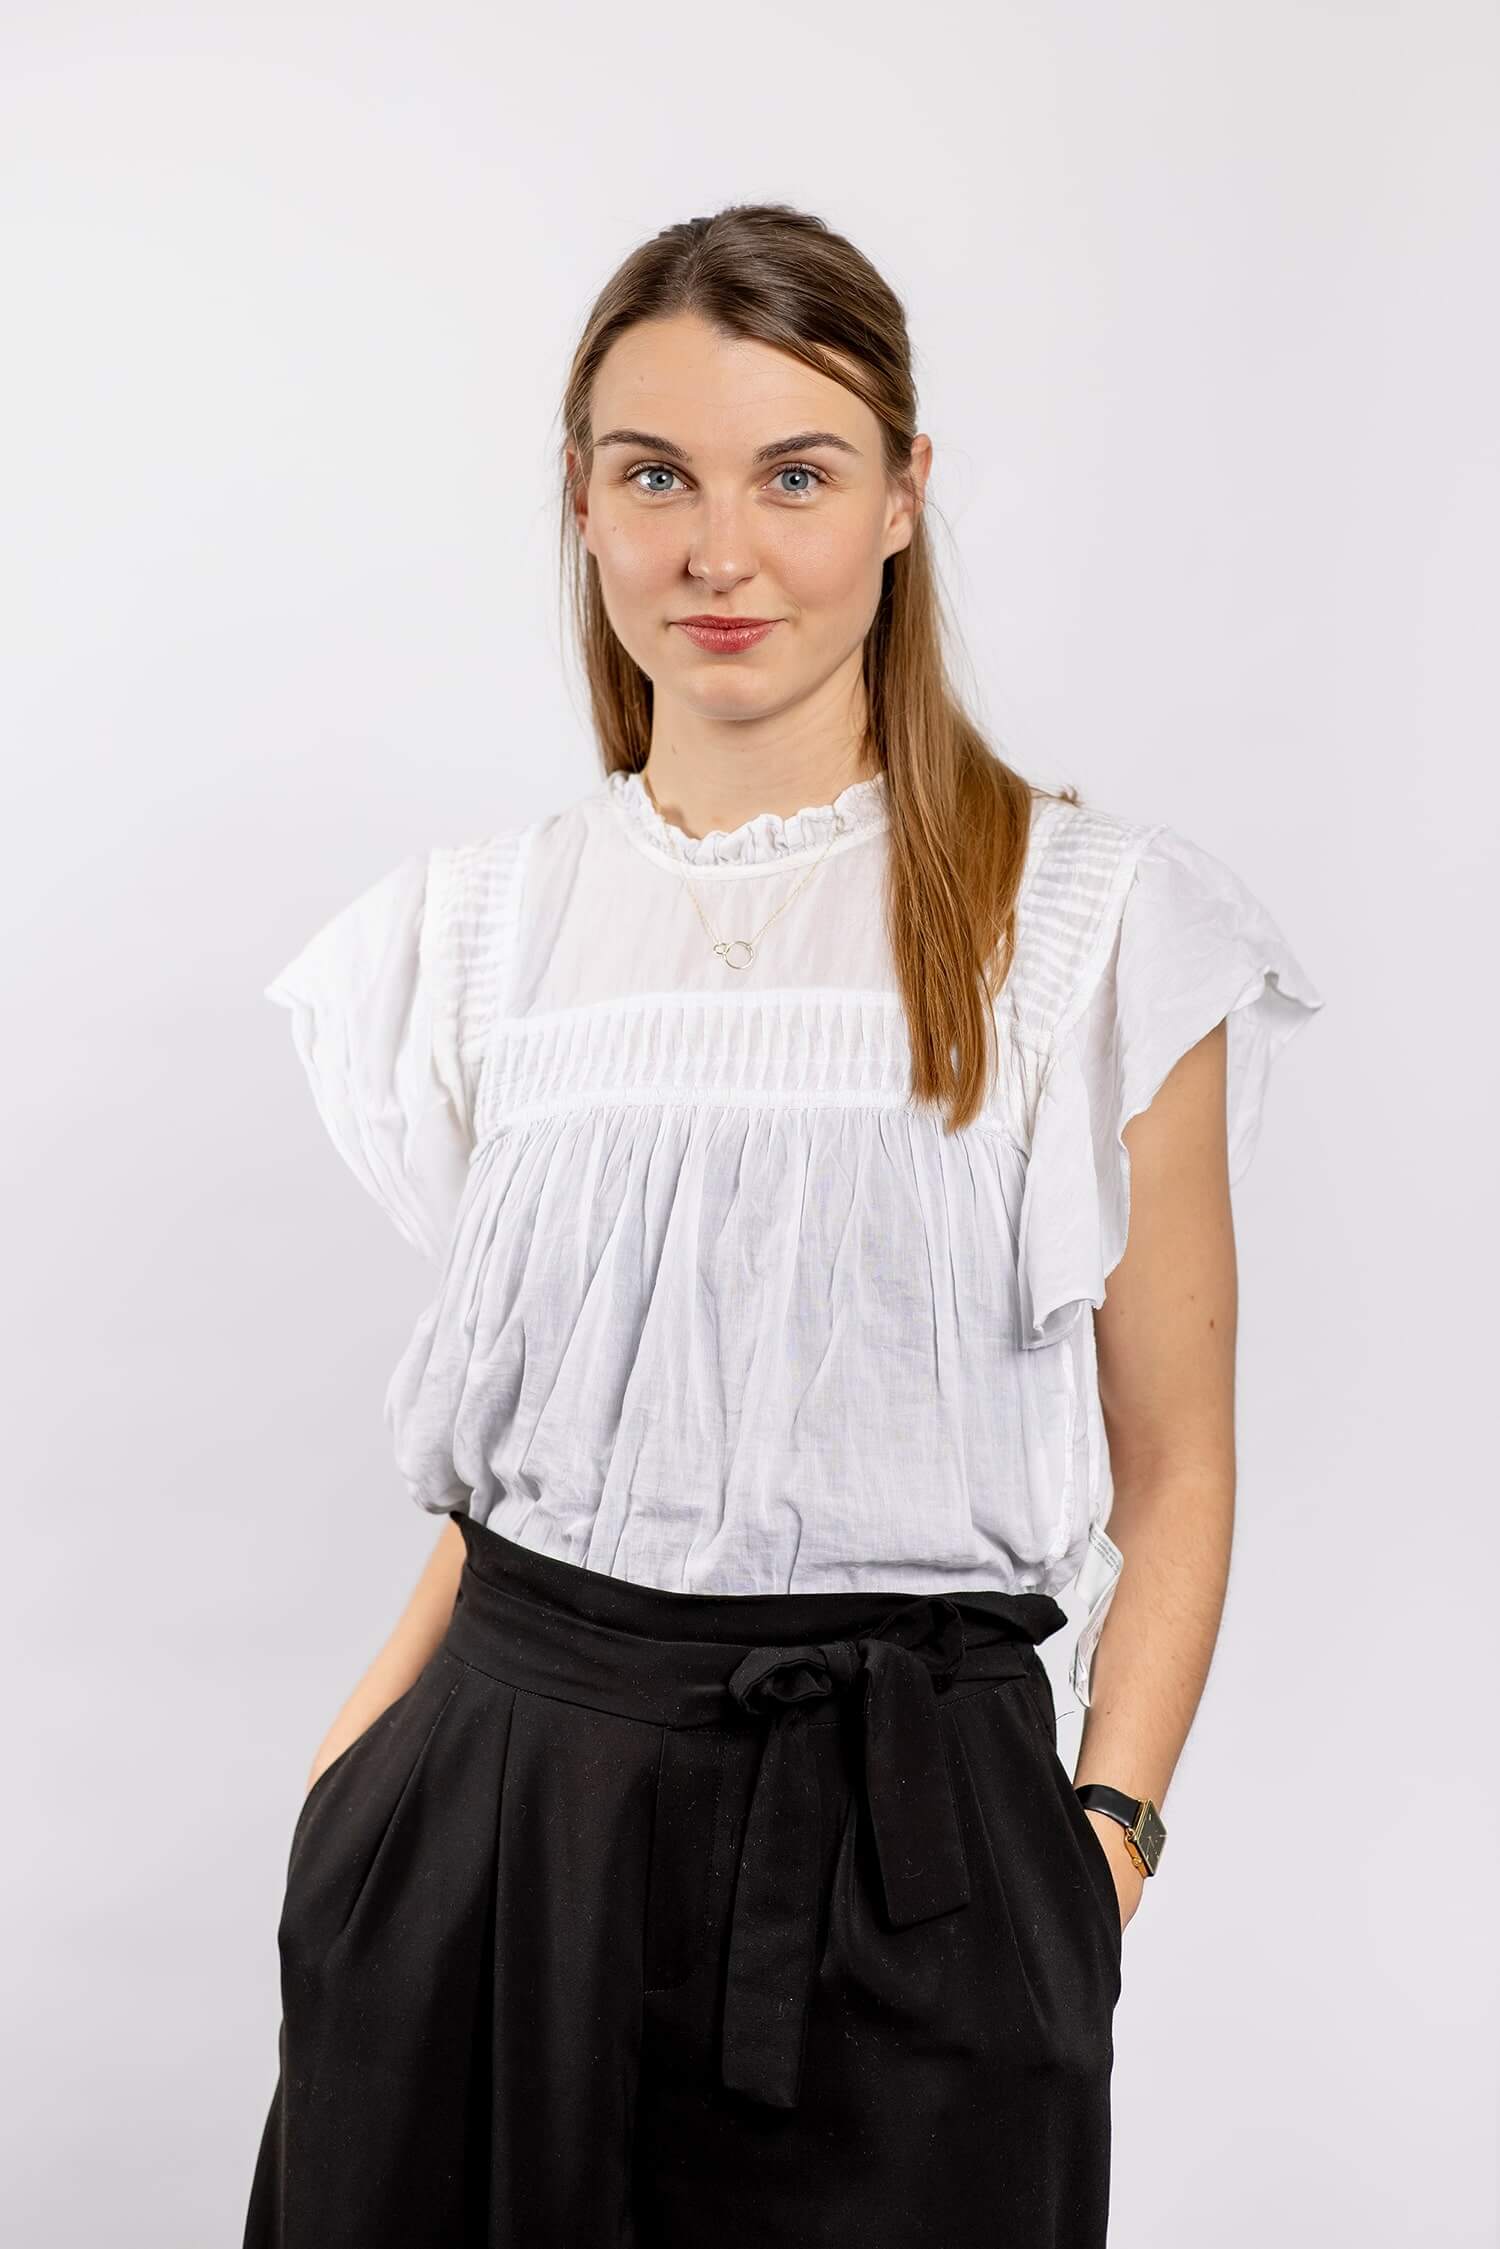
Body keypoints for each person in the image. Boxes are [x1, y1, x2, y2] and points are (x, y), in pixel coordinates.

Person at [241, 202, 1325, 2249]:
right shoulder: (472, 935)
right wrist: (346, 1809)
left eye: (795, 476)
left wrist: (1100, 1842)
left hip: (912, 1851)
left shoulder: (1092, 924)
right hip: (492, 1818)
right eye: (656, 476)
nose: (718, 551)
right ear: (582, 502)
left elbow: (1177, 1467)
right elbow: (529, 1455)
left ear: (905, 496)